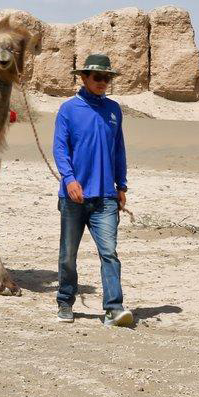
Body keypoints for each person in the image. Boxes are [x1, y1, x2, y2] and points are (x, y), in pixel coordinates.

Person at [52, 54, 133, 328]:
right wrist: (69, 180)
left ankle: (113, 309)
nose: (102, 82)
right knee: (68, 255)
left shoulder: (114, 110)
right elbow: (60, 148)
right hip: (73, 197)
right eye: (97, 77)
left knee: (109, 253)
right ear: (84, 78)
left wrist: (122, 185)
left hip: (106, 198)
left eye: (107, 78)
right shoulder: (68, 109)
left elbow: (119, 150)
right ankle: (65, 301)